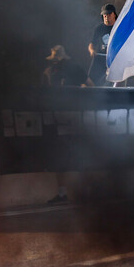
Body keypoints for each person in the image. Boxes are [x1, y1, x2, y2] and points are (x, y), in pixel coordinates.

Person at [41, 45, 90, 204]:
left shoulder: (74, 68)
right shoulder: (50, 72)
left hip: (75, 117)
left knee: (79, 154)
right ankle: (63, 193)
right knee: (60, 156)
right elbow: (44, 91)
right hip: (59, 117)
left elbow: (90, 85)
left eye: (57, 60)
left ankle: (86, 190)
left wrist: (83, 97)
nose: (55, 63)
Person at [88, 4, 116, 86]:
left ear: (114, 14)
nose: (107, 17)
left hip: (115, 60)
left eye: (109, 14)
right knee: (92, 79)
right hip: (101, 58)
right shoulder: (99, 28)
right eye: (105, 15)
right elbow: (92, 44)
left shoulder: (118, 27)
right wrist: (92, 50)